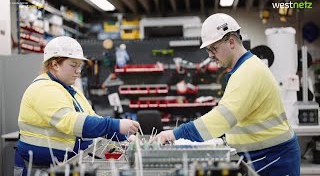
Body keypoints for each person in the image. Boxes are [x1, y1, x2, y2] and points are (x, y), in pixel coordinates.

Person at [153, 13, 301, 176]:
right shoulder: (245, 68)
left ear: (231, 42)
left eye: (213, 49)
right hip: (261, 156)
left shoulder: (248, 72)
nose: (210, 55)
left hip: (273, 159)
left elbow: (222, 118)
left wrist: (175, 134)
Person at [14, 36, 140, 176]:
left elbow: (93, 119)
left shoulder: (70, 90)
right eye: (73, 65)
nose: (78, 71)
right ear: (55, 65)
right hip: (39, 167)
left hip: (66, 164)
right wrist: (115, 125)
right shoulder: (43, 89)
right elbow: (71, 122)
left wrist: (123, 137)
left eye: (79, 65)